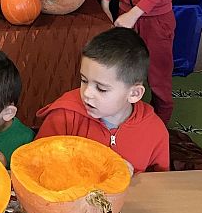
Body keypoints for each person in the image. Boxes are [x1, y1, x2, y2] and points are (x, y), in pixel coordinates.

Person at [36, 28, 170, 173]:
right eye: (84, 80)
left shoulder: (155, 131)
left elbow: (161, 181)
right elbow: (37, 163)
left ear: (134, 94)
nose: (87, 93)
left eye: (101, 89)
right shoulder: (62, 116)